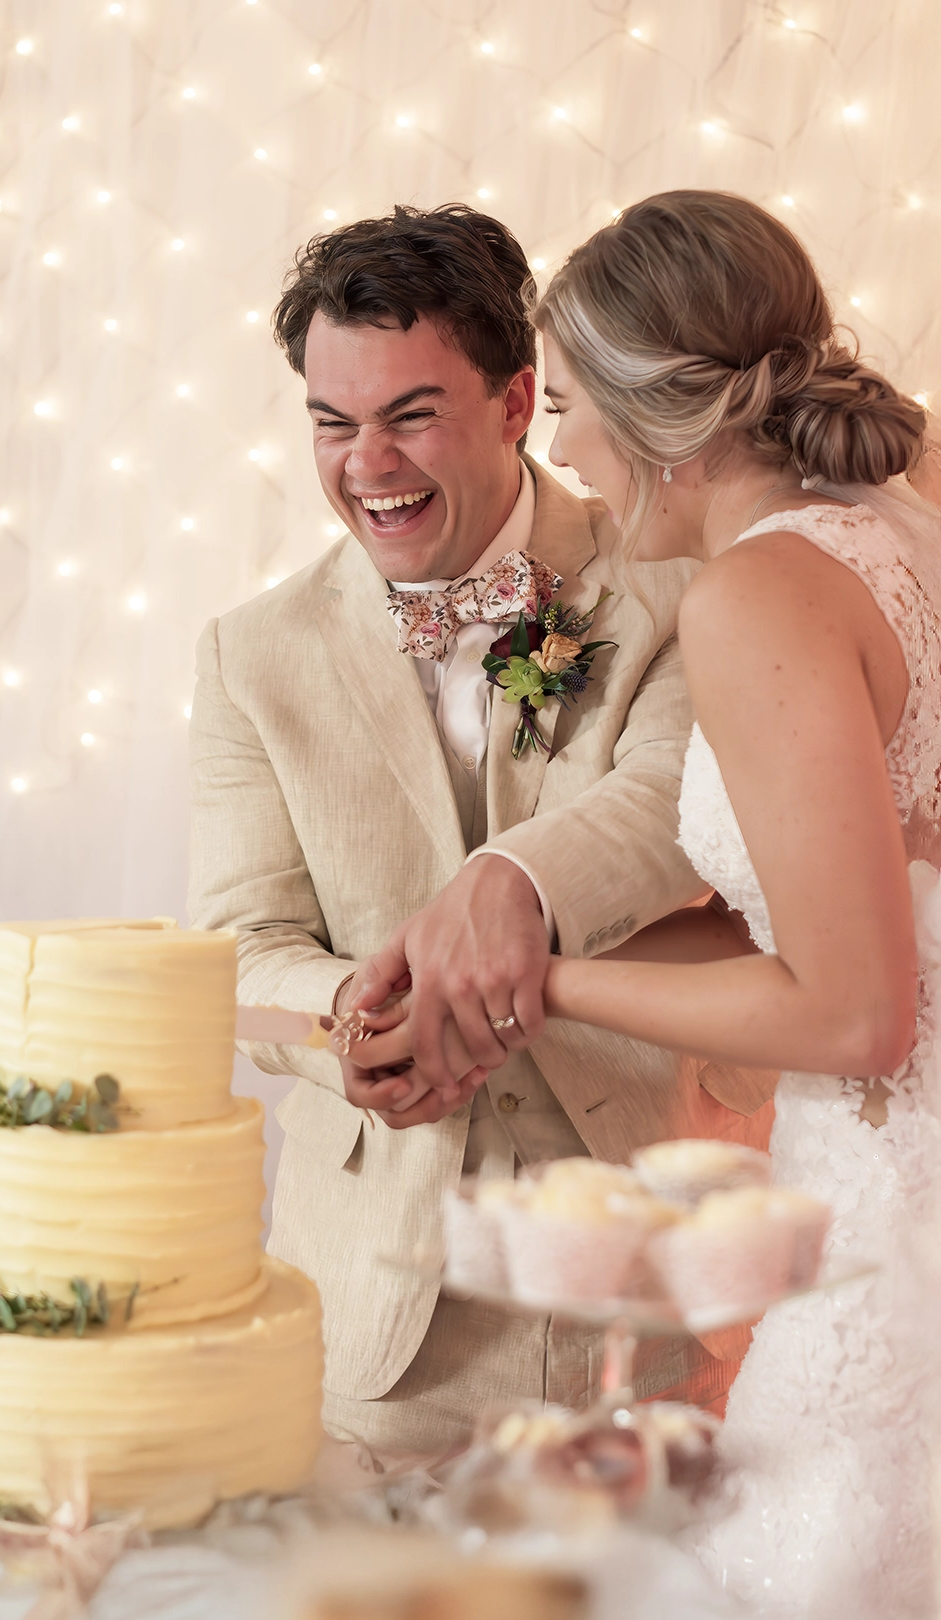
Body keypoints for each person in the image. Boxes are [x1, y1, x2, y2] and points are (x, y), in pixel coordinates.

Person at [354, 191, 941, 1617]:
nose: (562, 447)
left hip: (892, 1197)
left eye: (564, 405)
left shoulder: (759, 597)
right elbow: (864, 896)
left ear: (661, 416)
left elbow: (861, 1011)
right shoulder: (899, 530)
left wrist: (534, 988)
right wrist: (495, 949)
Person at [187, 203, 773, 1455]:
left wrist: (504, 887)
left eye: (410, 415)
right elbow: (238, 946)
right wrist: (357, 1021)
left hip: (648, 1274)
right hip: (374, 1323)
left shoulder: (676, 573)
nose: (368, 465)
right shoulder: (251, 657)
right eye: (333, 424)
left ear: (517, 406)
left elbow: (675, 806)